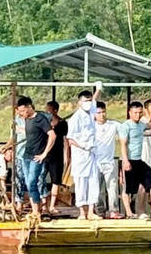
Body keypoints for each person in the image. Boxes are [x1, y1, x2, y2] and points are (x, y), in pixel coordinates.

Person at [120, 100, 151, 219]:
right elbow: (123, 144)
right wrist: (125, 161)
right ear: (129, 112)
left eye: (139, 113)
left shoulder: (141, 125)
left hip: (139, 160)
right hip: (129, 159)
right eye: (135, 113)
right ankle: (129, 213)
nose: (137, 115)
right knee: (128, 188)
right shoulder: (126, 126)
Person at [15, 96, 56, 217]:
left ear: (29, 107)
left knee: (33, 181)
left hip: (36, 157)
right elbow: (30, 133)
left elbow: (52, 135)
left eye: (23, 111)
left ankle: (38, 209)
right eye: (20, 111)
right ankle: (35, 210)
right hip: (26, 155)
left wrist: (44, 153)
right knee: (28, 183)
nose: (21, 114)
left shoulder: (40, 119)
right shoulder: (27, 120)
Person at [65, 87, 102, 220]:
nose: (88, 102)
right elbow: (70, 138)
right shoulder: (76, 118)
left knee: (93, 182)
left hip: (91, 153)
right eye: (85, 101)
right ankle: (82, 212)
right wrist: (82, 146)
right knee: (81, 183)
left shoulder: (91, 111)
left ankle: (92, 211)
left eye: (89, 100)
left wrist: (98, 89)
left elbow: (95, 99)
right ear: (79, 102)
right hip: (80, 154)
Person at [91, 101, 123, 217]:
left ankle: (113, 211)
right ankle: (99, 210)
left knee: (112, 188)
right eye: (98, 113)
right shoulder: (91, 125)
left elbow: (126, 131)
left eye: (103, 112)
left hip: (109, 162)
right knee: (96, 189)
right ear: (94, 114)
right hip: (95, 163)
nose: (102, 115)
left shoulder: (113, 125)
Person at [43, 100, 70, 214]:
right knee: (41, 179)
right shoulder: (43, 122)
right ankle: (43, 205)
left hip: (57, 155)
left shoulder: (63, 123)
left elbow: (65, 140)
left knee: (56, 181)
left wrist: (66, 156)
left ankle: (52, 205)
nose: (47, 112)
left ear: (55, 110)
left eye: (49, 110)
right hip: (44, 155)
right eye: (46, 110)